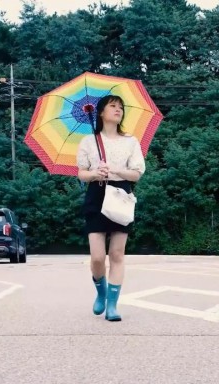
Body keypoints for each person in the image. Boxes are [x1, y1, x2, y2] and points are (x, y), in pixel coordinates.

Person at [76, 94, 146, 321]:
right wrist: (95, 173)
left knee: (117, 253)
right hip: (96, 194)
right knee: (97, 257)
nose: (118, 110)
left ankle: (113, 306)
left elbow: (136, 173)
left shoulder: (130, 141)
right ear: (101, 112)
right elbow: (81, 173)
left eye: (121, 107)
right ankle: (101, 292)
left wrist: (115, 170)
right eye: (113, 106)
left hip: (121, 194)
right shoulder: (88, 141)